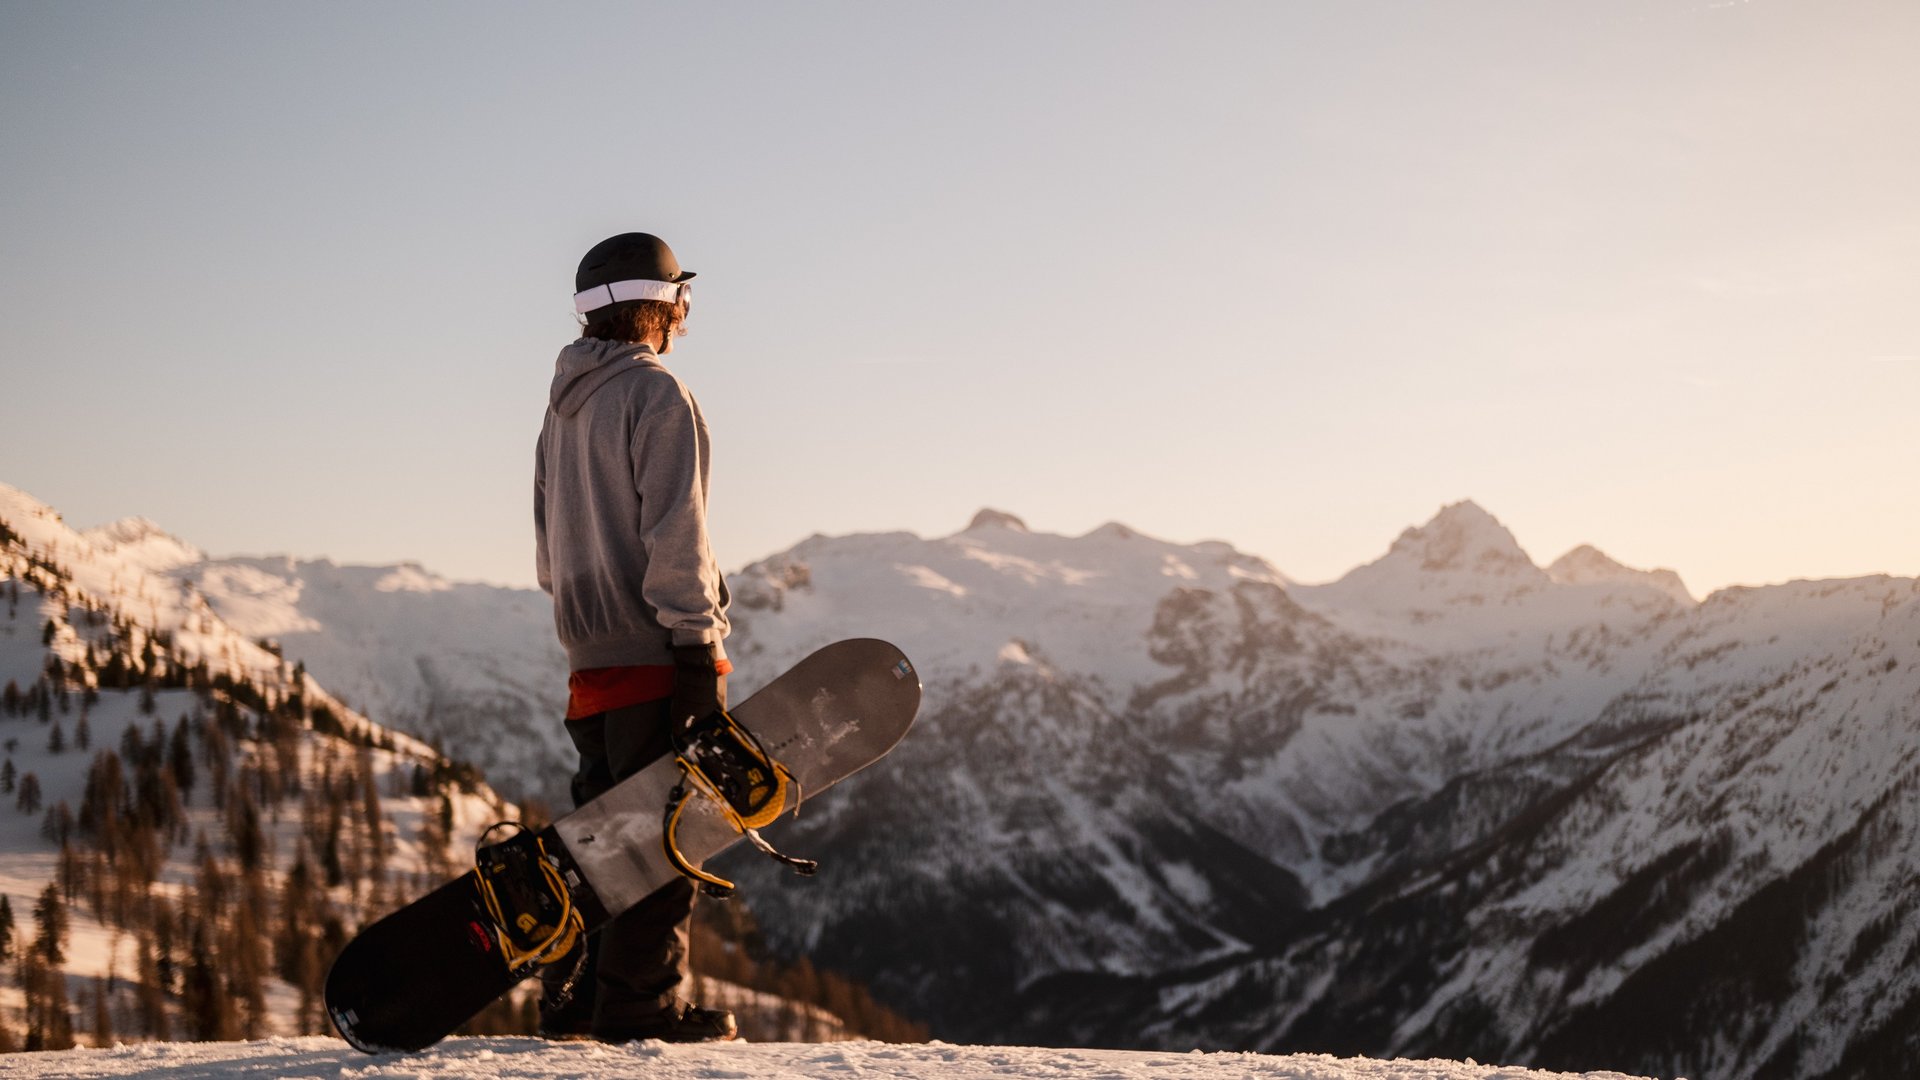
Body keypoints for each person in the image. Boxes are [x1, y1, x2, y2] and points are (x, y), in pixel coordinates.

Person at [533, 231, 736, 1043]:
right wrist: (696, 648)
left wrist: (591, 630)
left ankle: (577, 997)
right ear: (662, 304)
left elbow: (549, 553)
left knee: (602, 838)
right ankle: (639, 1004)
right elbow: (676, 531)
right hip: (656, 652)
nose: (687, 310)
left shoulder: (562, 408)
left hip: (589, 661)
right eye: (682, 295)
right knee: (666, 835)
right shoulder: (655, 395)